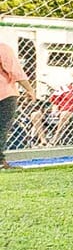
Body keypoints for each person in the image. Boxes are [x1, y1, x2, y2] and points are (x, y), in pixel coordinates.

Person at [0, 35, 28, 168]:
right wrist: (29, 89)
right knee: (2, 128)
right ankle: (0, 161)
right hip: (5, 94)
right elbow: (16, 72)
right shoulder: (3, 49)